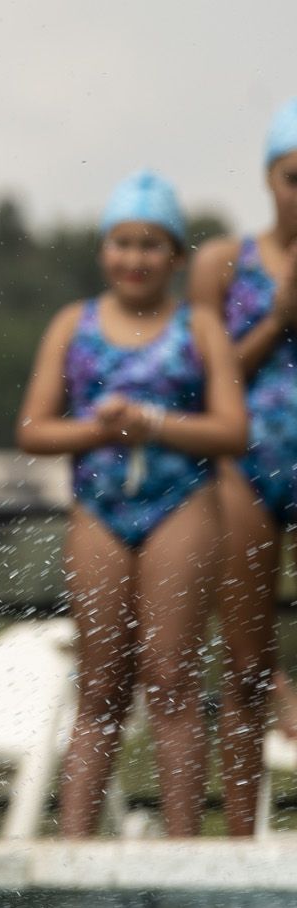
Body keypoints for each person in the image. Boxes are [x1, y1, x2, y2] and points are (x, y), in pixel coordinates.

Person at [16, 171, 246, 837]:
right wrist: (101, 429)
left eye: (151, 245)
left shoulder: (198, 325)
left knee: (172, 680)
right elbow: (33, 429)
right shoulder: (74, 324)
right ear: (103, 251)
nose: (136, 258)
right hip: (100, 509)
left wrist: (153, 422)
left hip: (183, 505)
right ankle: (74, 849)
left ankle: (181, 850)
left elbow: (231, 429)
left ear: (176, 257)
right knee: (99, 689)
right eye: (123, 242)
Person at [197, 98, 297, 837]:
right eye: (294, 177)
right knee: (245, 666)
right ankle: (236, 837)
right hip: (246, 467)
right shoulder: (222, 263)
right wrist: (279, 316)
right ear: (269, 178)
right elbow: (204, 375)